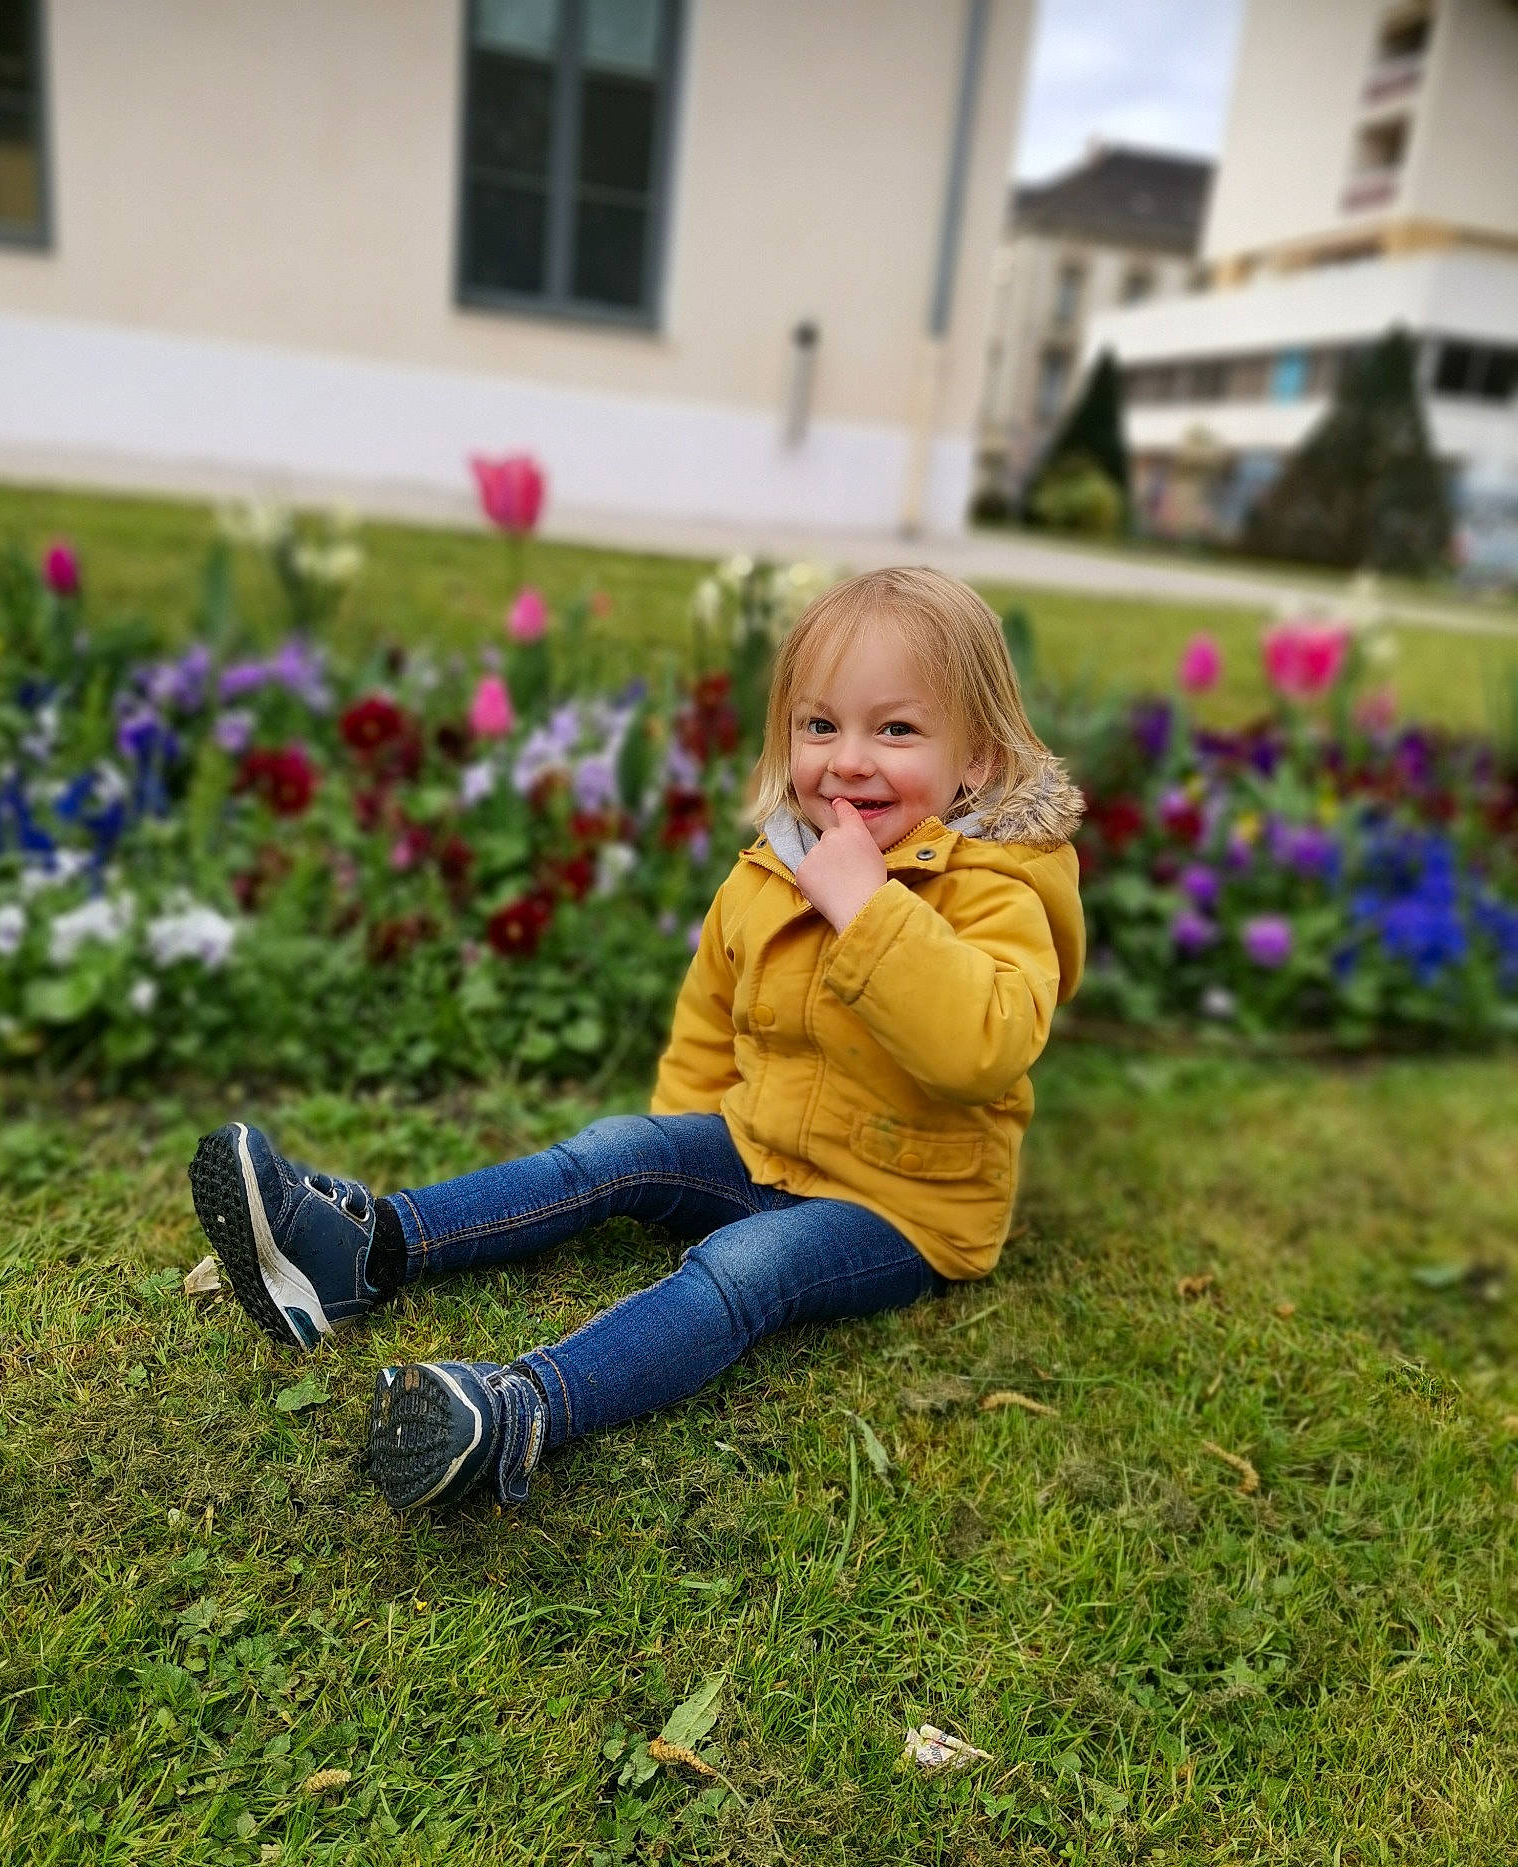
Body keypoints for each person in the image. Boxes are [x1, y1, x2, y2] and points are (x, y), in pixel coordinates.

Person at [188, 568, 1085, 1515]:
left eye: (895, 730)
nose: (848, 762)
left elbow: (979, 1047)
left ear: (978, 760)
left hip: (906, 1205)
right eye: (820, 726)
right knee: (614, 1153)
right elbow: (709, 1023)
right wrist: (673, 1172)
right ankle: (364, 1250)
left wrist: (868, 908)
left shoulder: (997, 890)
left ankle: (516, 1414)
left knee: (745, 1270)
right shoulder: (772, 871)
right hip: (761, 1146)